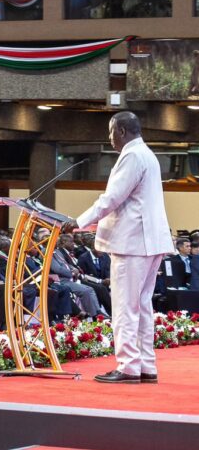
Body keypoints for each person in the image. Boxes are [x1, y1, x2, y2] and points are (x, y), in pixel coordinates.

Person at [64, 111, 173, 384]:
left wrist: (78, 221)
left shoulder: (132, 155)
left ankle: (128, 366)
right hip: (148, 241)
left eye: (111, 131)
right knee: (142, 306)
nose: (109, 138)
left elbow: (111, 198)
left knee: (125, 307)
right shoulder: (147, 154)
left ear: (122, 131)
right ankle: (145, 365)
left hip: (132, 243)